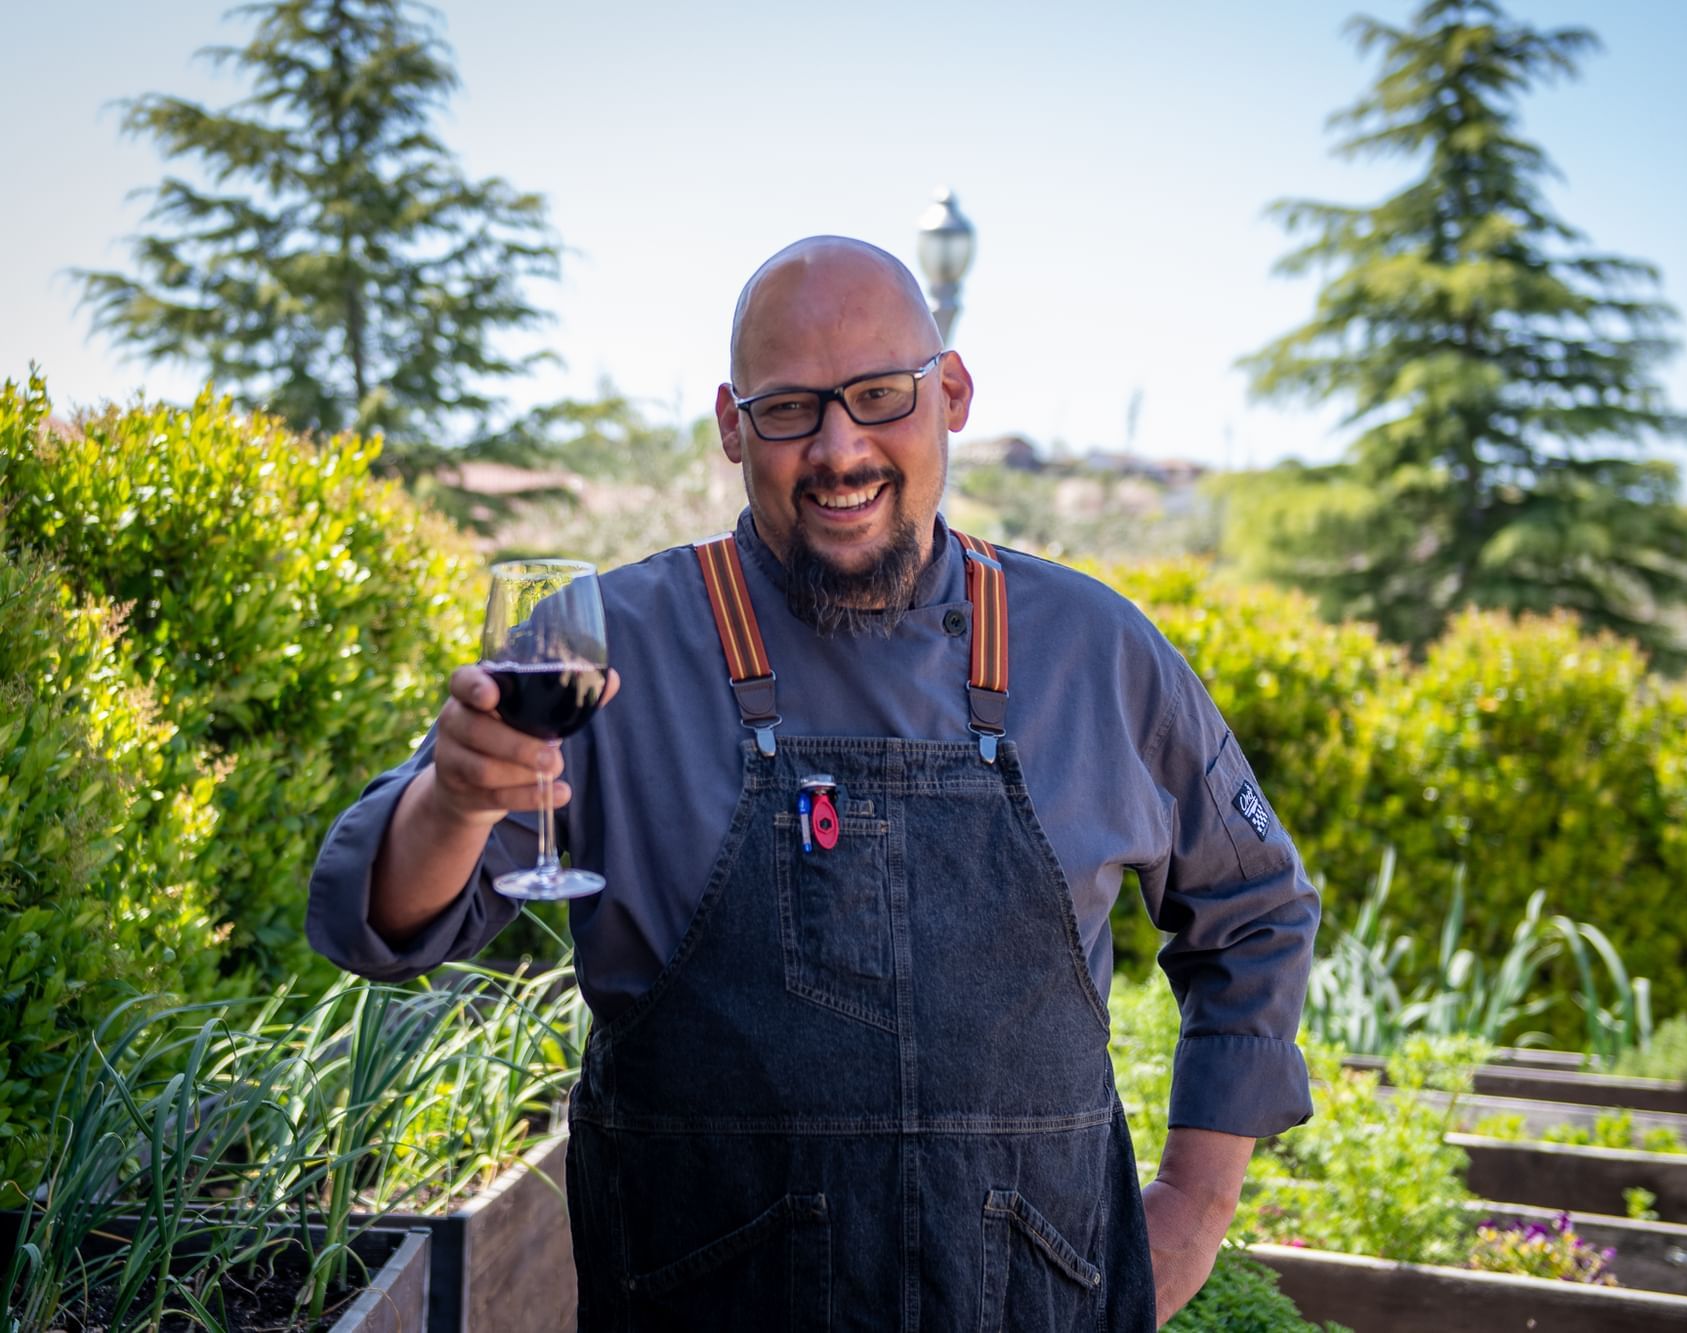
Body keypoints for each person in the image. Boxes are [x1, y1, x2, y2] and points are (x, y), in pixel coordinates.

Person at [307, 236, 1319, 1331]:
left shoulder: (1092, 650)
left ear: (954, 393)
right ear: (732, 425)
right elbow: (381, 921)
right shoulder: (607, 646)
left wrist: (1196, 1201)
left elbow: (1254, 908)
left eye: (880, 396)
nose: (839, 448)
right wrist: (455, 801)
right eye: (789, 409)